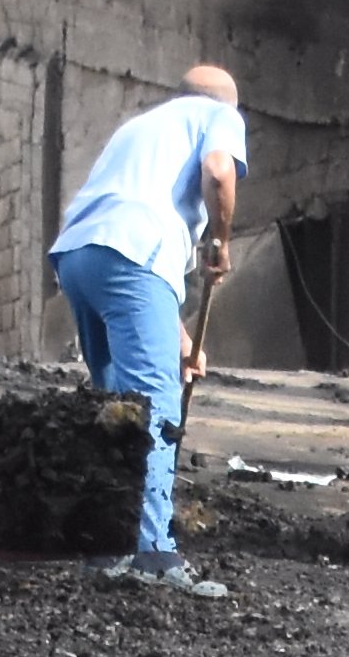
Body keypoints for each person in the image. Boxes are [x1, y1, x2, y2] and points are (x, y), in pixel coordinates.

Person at [42, 65, 247, 595]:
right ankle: (154, 555)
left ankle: (107, 550)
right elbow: (219, 171)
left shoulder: (140, 129)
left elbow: (127, 260)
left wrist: (180, 342)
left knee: (116, 409)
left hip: (77, 257)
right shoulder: (218, 116)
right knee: (154, 409)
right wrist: (219, 242)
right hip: (134, 256)